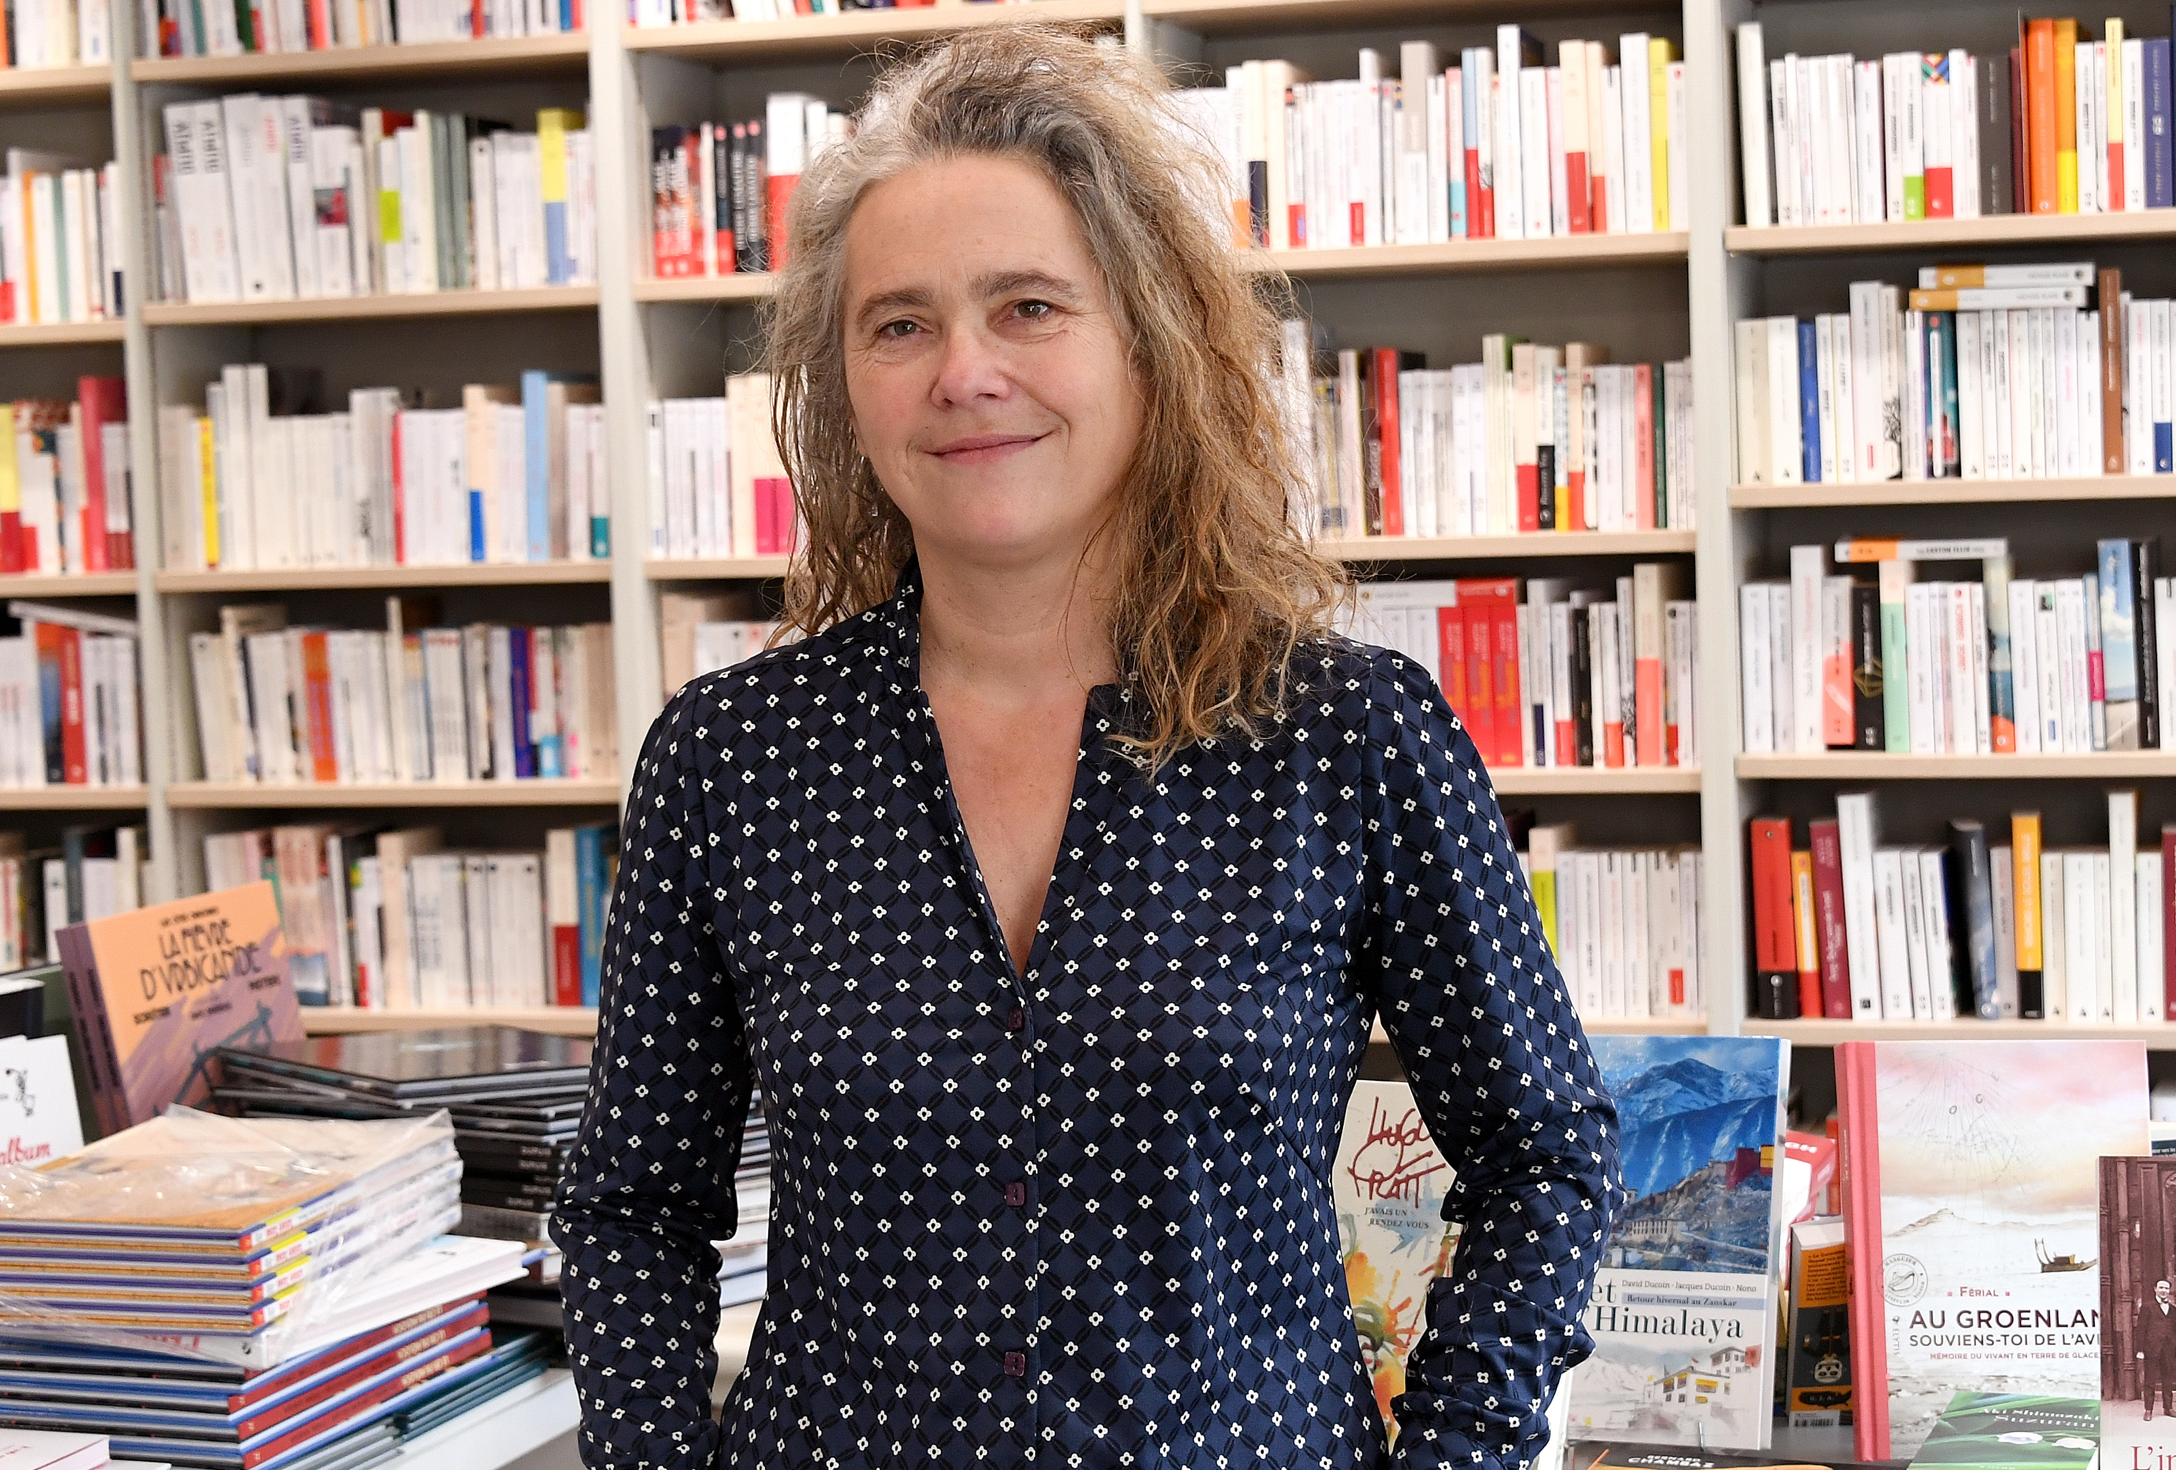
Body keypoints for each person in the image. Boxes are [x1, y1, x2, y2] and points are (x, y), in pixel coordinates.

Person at [546, 24, 1625, 1470]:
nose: (965, 372)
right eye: (900, 323)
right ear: (841, 382)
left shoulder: (1346, 737)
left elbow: (1545, 1153)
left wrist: (1458, 1448)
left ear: (1151, 341)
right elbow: (633, 1206)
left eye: (1031, 306)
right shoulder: (734, 760)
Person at [2136, 1277, 2176, 1419]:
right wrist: (2140, 1350)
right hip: (2151, 1348)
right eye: (2161, 1288)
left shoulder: (2172, 1309)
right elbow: (2141, 1329)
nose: (2164, 1291)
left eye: (2166, 1288)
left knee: (2168, 1379)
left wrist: (2174, 1343)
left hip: (2168, 1349)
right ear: (2155, 1289)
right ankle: (2148, 1410)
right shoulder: (2147, 1307)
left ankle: (2168, 1408)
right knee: (2150, 1380)